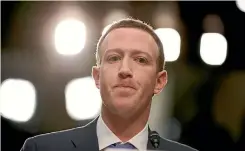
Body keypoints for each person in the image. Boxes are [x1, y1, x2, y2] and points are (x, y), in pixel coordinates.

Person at [21, 18, 197, 151]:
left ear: (159, 82)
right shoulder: (41, 148)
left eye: (140, 60)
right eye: (114, 58)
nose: (125, 69)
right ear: (97, 77)